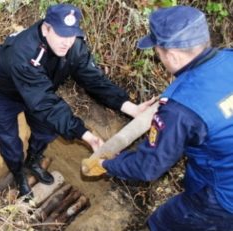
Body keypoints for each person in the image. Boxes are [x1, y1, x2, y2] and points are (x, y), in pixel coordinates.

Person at [0, 3, 152, 198]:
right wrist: (85, 134)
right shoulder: (23, 53)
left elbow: (94, 79)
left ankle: (33, 161)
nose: (67, 42)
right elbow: (46, 103)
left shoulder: (73, 45)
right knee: (10, 141)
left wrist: (131, 108)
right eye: (61, 35)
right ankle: (18, 172)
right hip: (4, 94)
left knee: (46, 130)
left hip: (40, 90)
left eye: (71, 35)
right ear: (46, 29)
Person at [92, 5, 233, 230]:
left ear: (174, 55)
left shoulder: (180, 107)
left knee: (162, 223)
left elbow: (148, 167)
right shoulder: (228, 58)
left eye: (158, 53)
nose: (159, 59)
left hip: (222, 197)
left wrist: (107, 164)